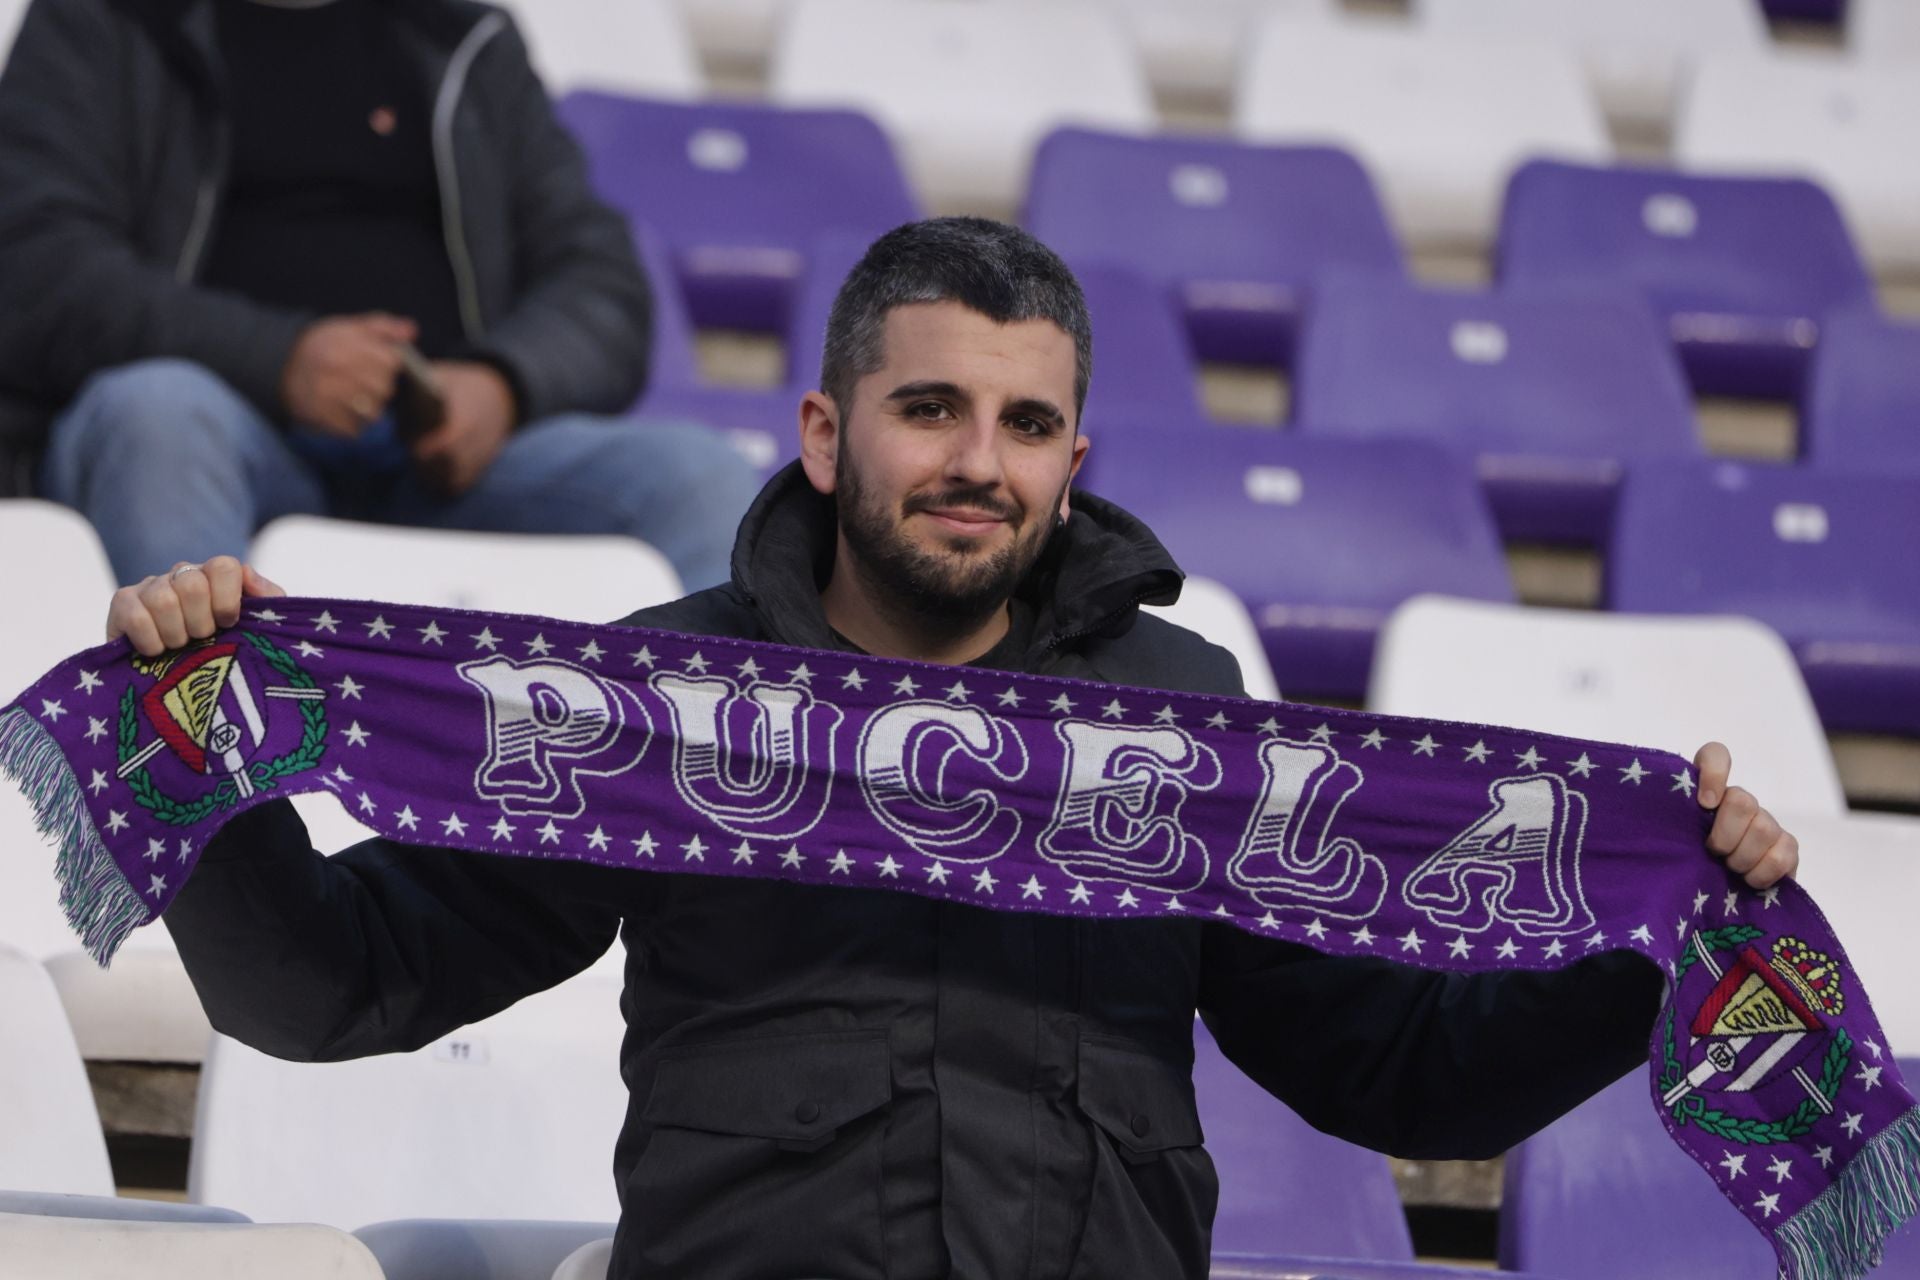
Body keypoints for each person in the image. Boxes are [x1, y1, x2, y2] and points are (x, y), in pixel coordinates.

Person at [107, 219, 1800, 1279]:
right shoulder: (660, 700)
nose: (979, 462)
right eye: (931, 410)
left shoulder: (1184, 714)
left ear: (1076, 457)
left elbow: (1396, 1071)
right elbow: (326, 988)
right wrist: (198, 750)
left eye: (1026, 423)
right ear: (829, 431)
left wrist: (1657, 946)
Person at [0, 0, 756, 589]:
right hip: (217, 432)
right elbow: (33, 266)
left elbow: (604, 283)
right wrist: (279, 359)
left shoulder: (461, 35)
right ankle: (210, 776)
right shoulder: (106, 21)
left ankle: (709, 781)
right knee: (156, 413)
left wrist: (503, 385)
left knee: (702, 477)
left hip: (436, 459)